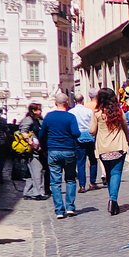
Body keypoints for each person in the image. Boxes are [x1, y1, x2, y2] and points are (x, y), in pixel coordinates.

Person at [39, 91, 80, 219]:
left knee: (55, 182)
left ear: (55, 103)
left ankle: (59, 210)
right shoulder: (70, 117)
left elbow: (41, 135)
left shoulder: (49, 117)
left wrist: (45, 146)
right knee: (70, 179)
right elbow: (76, 133)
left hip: (53, 151)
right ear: (67, 103)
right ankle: (70, 207)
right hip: (68, 150)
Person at [93, 87, 129, 215]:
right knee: (116, 173)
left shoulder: (97, 114)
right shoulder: (118, 112)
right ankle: (113, 200)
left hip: (104, 148)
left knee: (109, 174)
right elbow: (125, 126)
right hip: (118, 146)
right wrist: (128, 138)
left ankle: (112, 199)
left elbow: (92, 131)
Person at [17, 103, 46, 199]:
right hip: (31, 149)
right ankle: (38, 193)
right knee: (37, 169)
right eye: (38, 109)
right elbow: (23, 132)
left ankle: (28, 191)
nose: (40, 111)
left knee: (32, 171)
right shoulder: (28, 120)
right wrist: (31, 143)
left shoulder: (36, 120)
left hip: (35, 148)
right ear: (33, 111)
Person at [72, 90, 98, 192]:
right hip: (89, 136)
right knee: (92, 160)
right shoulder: (89, 111)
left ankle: (82, 185)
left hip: (78, 137)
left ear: (74, 101)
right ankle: (92, 182)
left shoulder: (71, 112)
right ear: (82, 100)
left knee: (80, 162)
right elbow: (93, 124)